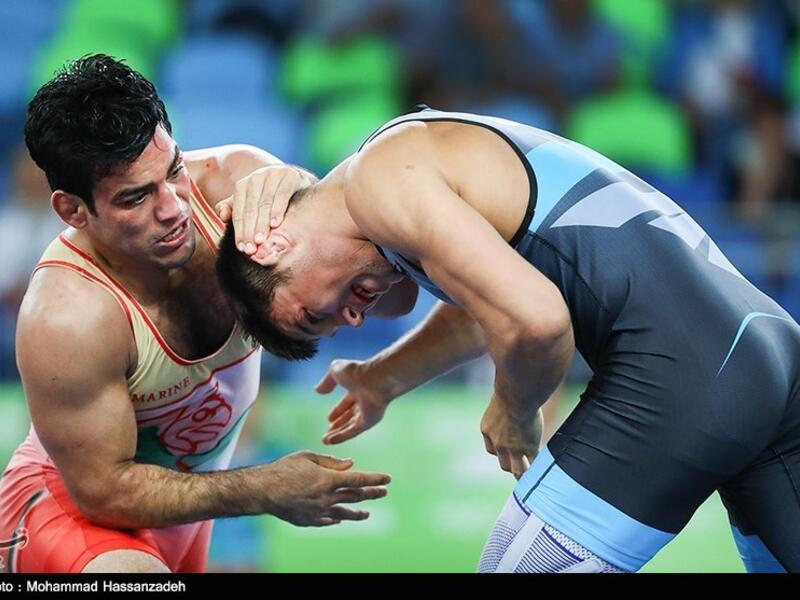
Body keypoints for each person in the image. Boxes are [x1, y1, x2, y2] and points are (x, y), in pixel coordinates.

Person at [217, 106, 800, 573]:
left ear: (270, 247)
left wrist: (514, 408)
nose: (351, 320)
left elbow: (537, 321)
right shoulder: (409, 174)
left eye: (311, 316)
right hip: (770, 351)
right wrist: (385, 376)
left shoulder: (377, 181)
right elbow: (495, 299)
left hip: (682, 375)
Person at [0, 55, 390, 574]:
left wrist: (308, 192)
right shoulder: (68, 313)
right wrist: (266, 487)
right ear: (74, 211)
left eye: (174, 170)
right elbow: (103, 492)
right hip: (70, 521)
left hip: (182, 522)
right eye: (135, 198)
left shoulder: (241, 185)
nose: (173, 209)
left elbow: (390, 285)